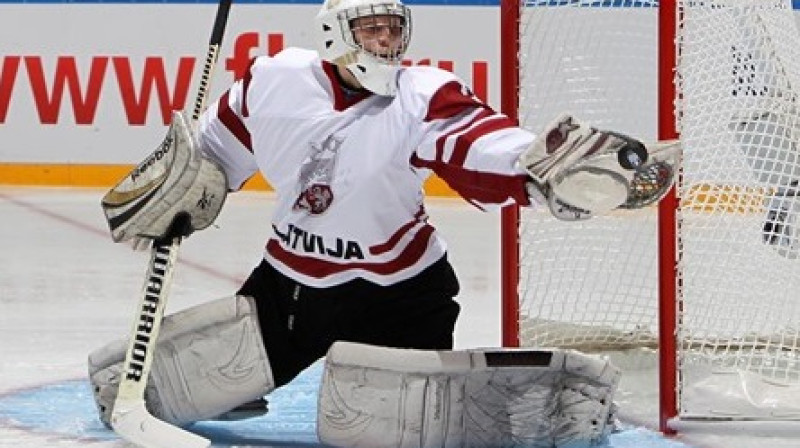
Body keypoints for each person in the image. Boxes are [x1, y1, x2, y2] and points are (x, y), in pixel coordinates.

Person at [89, 0, 678, 444]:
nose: (387, 42)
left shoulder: (422, 95)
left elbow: (479, 146)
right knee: (128, 386)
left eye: (395, 29)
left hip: (402, 297)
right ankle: (246, 384)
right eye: (371, 29)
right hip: (289, 291)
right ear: (334, 34)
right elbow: (213, 160)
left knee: (378, 428)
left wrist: (540, 168)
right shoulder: (273, 81)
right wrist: (177, 183)